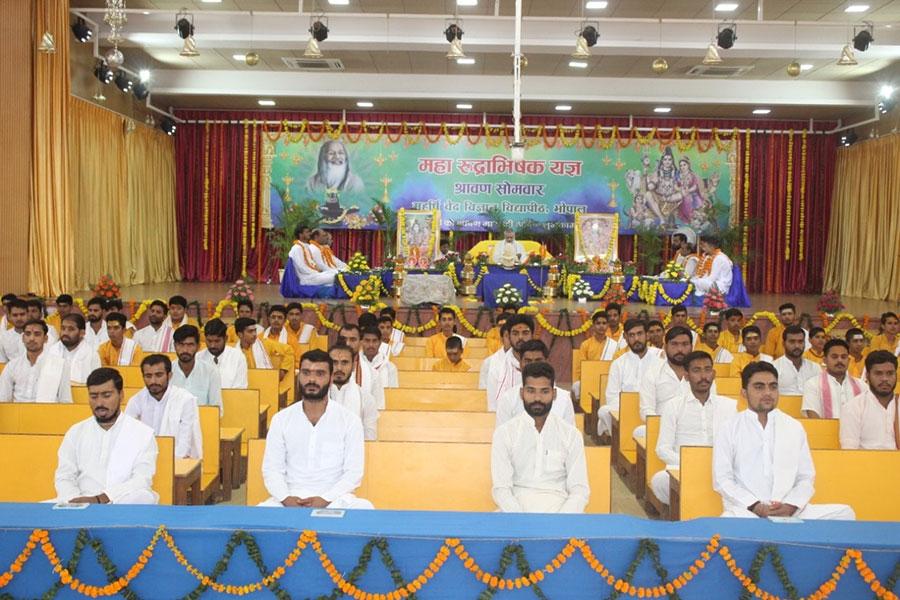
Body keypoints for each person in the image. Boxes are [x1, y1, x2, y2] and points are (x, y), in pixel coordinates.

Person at [713, 361, 855, 520]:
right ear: (744, 393)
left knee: (845, 513)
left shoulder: (794, 427)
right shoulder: (729, 428)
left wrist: (791, 505)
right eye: (759, 387)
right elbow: (723, 480)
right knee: (729, 520)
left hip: (790, 510)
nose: (768, 392)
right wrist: (756, 506)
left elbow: (805, 477)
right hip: (747, 512)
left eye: (773, 387)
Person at [259, 350, 373, 509]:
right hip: (290, 499)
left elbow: (353, 473)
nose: (312, 379)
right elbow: (272, 470)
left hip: (335, 500)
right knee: (263, 511)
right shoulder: (281, 419)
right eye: (306, 373)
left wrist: (325, 499)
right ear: (299, 376)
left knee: (364, 508)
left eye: (320, 373)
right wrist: (287, 499)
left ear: (331, 378)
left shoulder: (350, 421)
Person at [491, 362, 589, 513]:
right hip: (515, 511)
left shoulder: (571, 435)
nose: (537, 398)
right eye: (531, 391)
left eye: (544, 392)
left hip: (560, 510)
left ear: (554, 394)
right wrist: (523, 521)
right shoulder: (504, 433)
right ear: (521, 393)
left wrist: (559, 522)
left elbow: (579, 489)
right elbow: (501, 489)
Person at [54, 368, 159, 505]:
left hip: (120, 502)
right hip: (80, 503)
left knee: (144, 497)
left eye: (106, 395)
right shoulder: (76, 432)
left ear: (121, 395)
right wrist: (75, 501)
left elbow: (141, 480)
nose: (99, 403)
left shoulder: (143, 433)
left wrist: (102, 499)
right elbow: (64, 476)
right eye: (94, 396)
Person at [651, 351, 738, 506]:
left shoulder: (729, 406)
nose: (703, 376)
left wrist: (713, 465)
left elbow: (737, 448)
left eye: (707, 370)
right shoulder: (674, 406)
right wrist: (691, 463)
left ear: (714, 373)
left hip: (719, 469)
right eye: (696, 370)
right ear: (686, 375)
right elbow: (662, 449)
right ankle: (681, 512)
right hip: (684, 467)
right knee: (659, 480)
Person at [125, 354, 202, 460]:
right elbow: (128, 438)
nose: (153, 381)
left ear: (169, 375)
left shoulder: (185, 400)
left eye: (159, 375)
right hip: (144, 461)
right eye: (148, 376)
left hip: (179, 462)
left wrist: (166, 464)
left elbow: (185, 444)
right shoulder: (136, 401)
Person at [597, 320, 659, 438]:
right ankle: (620, 439)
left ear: (647, 335)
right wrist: (630, 409)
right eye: (631, 335)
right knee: (604, 411)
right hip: (624, 410)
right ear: (625, 337)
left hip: (652, 409)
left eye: (640, 334)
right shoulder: (618, 364)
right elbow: (611, 396)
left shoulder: (659, 359)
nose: (636, 339)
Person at [496, 340, 574, 428]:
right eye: (528, 361)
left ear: (547, 362)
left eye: (538, 360)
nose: (533, 365)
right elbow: (502, 436)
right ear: (520, 364)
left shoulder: (564, 399)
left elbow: (569, 437)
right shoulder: (508, 398)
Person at [638, 326, 699, 435]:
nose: (680, 349)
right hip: (661, 428)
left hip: (695, 428)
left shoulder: (702, 375)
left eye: (685, 344)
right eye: (674, 344)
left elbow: (710, 407)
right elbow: (646, 410)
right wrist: (666, 426)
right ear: (665, 347)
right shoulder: (653, 372)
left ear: (692, 347)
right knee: (639, 432)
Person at [0, 320, 71, 403]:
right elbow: (3, 399)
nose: (32, 338)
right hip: (18, 414)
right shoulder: (12, 366)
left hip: (47, 414)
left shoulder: (60, 365)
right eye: (28, 334)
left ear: (45, 339)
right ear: (23, 338)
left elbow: (65, 401)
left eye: (37, 334)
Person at [840, 351, 898, 449]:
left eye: (890, 373)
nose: (885, 379)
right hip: (865, 463)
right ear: (867, 375)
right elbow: (850, 452)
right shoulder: (853, 408)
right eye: (878, 373)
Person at [801, 339, 862, 419]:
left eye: (843, 357)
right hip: (824, 431)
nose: (840, 360)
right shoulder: (813, 384)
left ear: (849, 360)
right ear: (825, 360)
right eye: (834, 357)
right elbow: (814, 418)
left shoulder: (862, 386)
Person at [328, 344, 378, 440]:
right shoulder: (317, 397)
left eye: (344, 362)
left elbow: (369, 438)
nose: (339, 368)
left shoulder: (366, 398)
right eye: (334, 363)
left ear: (354, 365)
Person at [570, 310, 620, 405]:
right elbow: (580, 368)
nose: (601, 326)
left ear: (608, 325)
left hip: (607, 379)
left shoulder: (614, 345)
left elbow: (615, 367)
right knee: (577, 386)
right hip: (588, 379)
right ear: (593, 325)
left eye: (604, 323)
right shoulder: (586, 345)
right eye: (598, 323)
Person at [487, 314, 534, 412]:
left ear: (532, 335)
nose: (520, 337)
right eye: (515, 333)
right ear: (508, 336)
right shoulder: (497, 367)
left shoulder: (541, 365)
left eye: (525, 333)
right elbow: (492, 407)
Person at [234, 317, 293, 396]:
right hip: (245, 390)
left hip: (265, 386)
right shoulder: (234, 353)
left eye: (255, 330)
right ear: (240, 334)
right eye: (250, 331)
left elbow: (289, 350)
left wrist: (283, 370)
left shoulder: (264, 343)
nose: (254, 334)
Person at [171, 325, 223, 415]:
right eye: (181, 344)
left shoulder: (210, 372)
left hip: (202, 424)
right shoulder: (166, 371)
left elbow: (216, 409)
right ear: (175, 346)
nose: (185, 350)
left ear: (198, 346)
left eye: (190, 345)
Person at [47, 313, 101, 385]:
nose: (65, 333)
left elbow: (97, 384)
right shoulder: (52, 351)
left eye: (71, 329)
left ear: (82, 333)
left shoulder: (91, 354)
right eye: (63, 328)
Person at [197, 319, 248, 389]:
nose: (213, 345)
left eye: (217, 341)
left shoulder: (238, 357)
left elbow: (240, 388)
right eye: (209, 341)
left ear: (226, 338)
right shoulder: (198, 358)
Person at [338, 323, 380, 405]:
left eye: (352, 339)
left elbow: (378, 407)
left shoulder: (373, 374)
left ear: (361, 342)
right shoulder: (326, 370)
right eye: (343, 339)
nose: (347, 344)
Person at [772, 326, 821, 395]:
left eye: (800, 342)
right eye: (792, 342)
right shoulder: (774, 367)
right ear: (783, 344)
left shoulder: (815, 368)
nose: (797, 346)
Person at [360, 326, 397, 408]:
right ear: (361, 342)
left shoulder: (390, 367)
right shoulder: (354, 366)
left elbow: (393, 395)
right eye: (367, 341)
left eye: (374, 341)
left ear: (380, 342)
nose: (371, 345)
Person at [481, 315, 512, 390]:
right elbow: (483, 390)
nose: (511, 339)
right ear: (502, 338)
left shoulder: (523, 360)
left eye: (514, 334)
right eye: (507, 336)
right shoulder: (488, 362)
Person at [0, 299, 27, 363]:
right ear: (9, 316)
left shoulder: (39, 334)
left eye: (22, 314)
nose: (19, 318)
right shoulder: (3, 337)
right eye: (15, 315)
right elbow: (2, 362)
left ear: (28, 314)